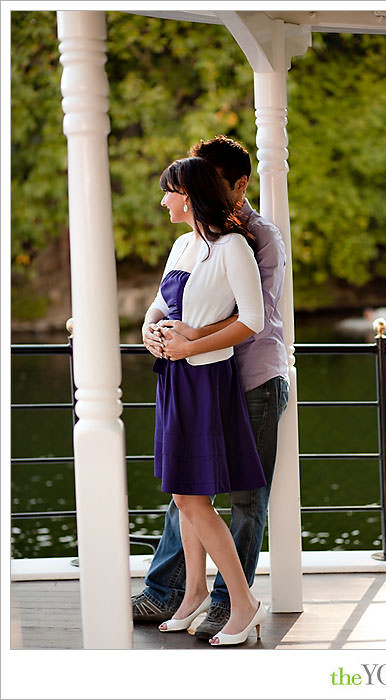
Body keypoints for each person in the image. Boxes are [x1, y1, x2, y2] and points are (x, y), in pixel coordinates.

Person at [133, 136, 288, 642]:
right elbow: (164, 303)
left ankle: (232, 601)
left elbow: (253, 319)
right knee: (185, 493)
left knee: (240, 495)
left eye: (175, 188)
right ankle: (181, 590)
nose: (165, 199)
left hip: (242, 378)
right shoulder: (184, 243)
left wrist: (191, 339)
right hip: (185, 376)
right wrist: (153, 332)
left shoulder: (252, 240)